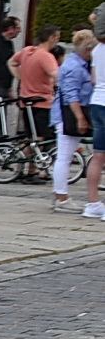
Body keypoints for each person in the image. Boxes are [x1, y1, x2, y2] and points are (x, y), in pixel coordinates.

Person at [52, 29, 95, 212]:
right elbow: (70, 95)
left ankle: (60, 196)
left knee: (65, 156)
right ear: (88, 49)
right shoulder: (75, 67)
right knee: (64, 156)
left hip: (68, 113)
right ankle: (61, 198)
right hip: (67, 115)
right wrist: (80, 118)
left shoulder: (79, 64)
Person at [15, 24, 59, 142]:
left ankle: (26, 159)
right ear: (51, 38)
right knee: (41, 138)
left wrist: (21, 77)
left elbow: (11, 62)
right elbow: (56, 75)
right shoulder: (46, 56)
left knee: (31, 137)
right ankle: (27, 158)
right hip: (42, 101)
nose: (57, 41)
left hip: (26, 99)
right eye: (57, 38)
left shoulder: (27, 51)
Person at [84, 36, 105, 218]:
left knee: (98, 155)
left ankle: (93, 203)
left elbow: (93, 79)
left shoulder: (98, 49)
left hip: (97, 101)